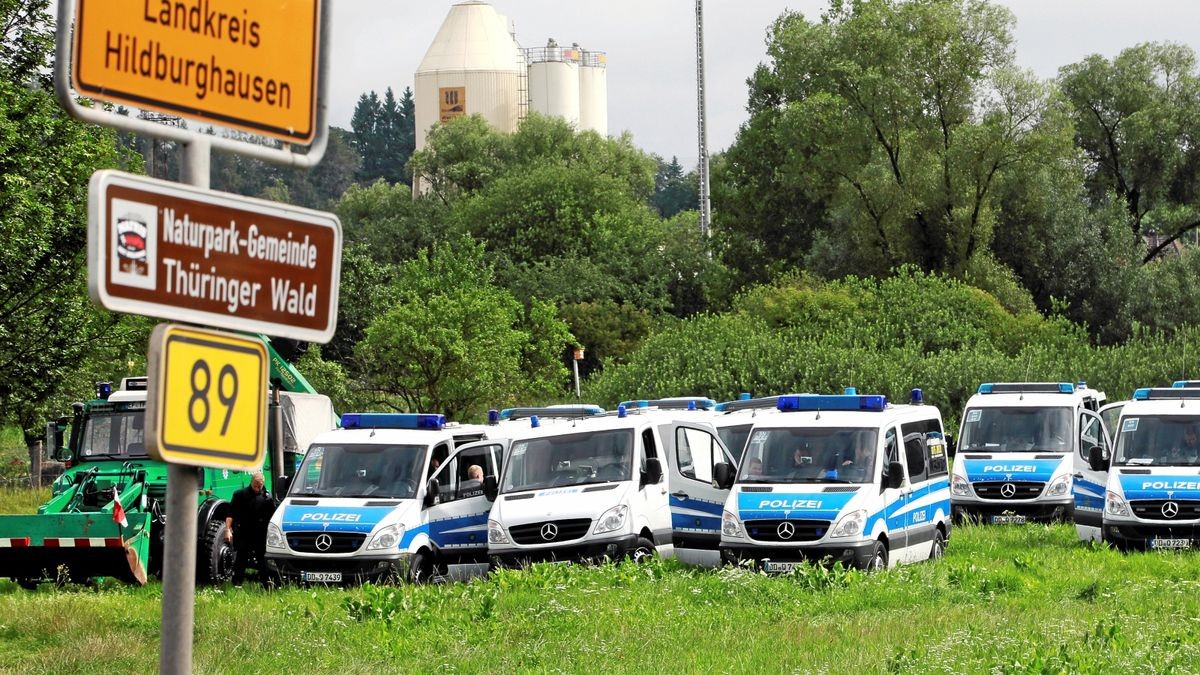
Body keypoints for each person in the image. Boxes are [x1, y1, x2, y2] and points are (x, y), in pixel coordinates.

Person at [225, 472, 274, 584]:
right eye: (255, 485)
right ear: (251, 482)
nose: (257, 488)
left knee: (262, 560)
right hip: (244, 531)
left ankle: (266, 584)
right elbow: (230, 514)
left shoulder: (267, 497)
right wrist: (227, 530)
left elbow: (272, 516)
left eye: (259, 486)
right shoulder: (240, 495)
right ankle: (237, 583)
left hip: (260, 533)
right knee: (241, 559)